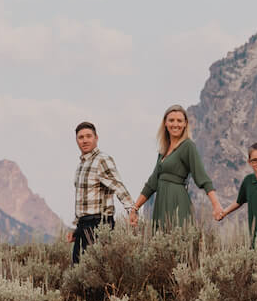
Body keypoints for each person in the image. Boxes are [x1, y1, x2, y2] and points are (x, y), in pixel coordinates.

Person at [133, 105, 225, 229]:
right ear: (165, 123)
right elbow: (151, 184)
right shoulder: (163, 151)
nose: (175, 124)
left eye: (179, 121)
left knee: (178, 237)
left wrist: (216, 204)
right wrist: (135, 208)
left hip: (178, 203)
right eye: (171, 120)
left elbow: (202, 177)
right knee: (159, 238)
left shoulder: (188, 146)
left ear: (185, 124)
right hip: (160, 205)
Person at [67, 121, 137, 265]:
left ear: (96, 138)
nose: (85, 140)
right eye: (81, 137)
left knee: (96, 269)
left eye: (88, 136)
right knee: (78, 268)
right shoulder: (81, 165)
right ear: (76, 140)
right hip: (83, 225)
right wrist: (76, 228)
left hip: (99, 224)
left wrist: (131, 209)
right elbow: (82, 200)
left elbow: (118, 186)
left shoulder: (102, 160)